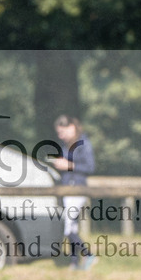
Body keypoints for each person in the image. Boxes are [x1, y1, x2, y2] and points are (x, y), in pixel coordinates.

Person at [52, 115, 96, 270]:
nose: (60, 136)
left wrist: (69, 165)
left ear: (71, 127)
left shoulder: (84, 143)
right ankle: (74, 262)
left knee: (67, 227)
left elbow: (90, 167)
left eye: (62, 132)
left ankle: (88, 254)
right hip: (67, 188)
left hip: (77, 188)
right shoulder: (66, 145)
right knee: (73, 228)